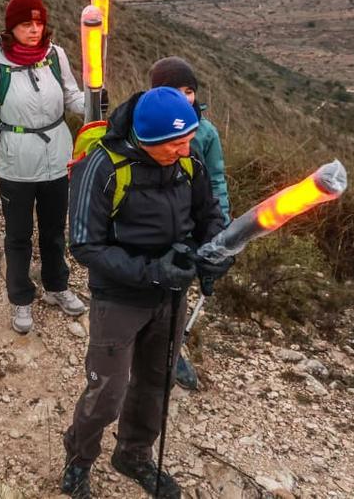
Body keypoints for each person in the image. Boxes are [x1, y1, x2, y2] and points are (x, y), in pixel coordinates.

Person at [60, 87, 230, 499]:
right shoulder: (102, 167)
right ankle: (79, 459)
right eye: (174, 143)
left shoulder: (189, 162)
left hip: (171, 294)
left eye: (188, 139)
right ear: (147, 140)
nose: (185, 149)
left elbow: (209, 215)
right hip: (120, 297)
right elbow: (84, 245)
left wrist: (215, 253)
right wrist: (153, 272)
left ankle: (134, 454)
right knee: (108, 390)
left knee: (157, 381)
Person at [0, 0, 87, 333]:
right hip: (16, 161)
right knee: (18, 235)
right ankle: (21, 298)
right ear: (11, 28)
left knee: (53, 231)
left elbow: (71, 96)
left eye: (38, 23)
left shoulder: (54, 56)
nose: (34, 30)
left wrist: (93, 103)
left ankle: (56, 286)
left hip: (58, 157)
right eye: (25, 24)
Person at [149, 56, 230, 392]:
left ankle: (172, 349)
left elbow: (216, 180)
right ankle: (140, 345)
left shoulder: (206, 132)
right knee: (149, 280)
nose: (184, 98)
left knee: (179, 286)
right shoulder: (144, 127)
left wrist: (221, 228)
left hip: (189, 222)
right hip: (151, 221)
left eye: (189, 91)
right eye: (173, 91)